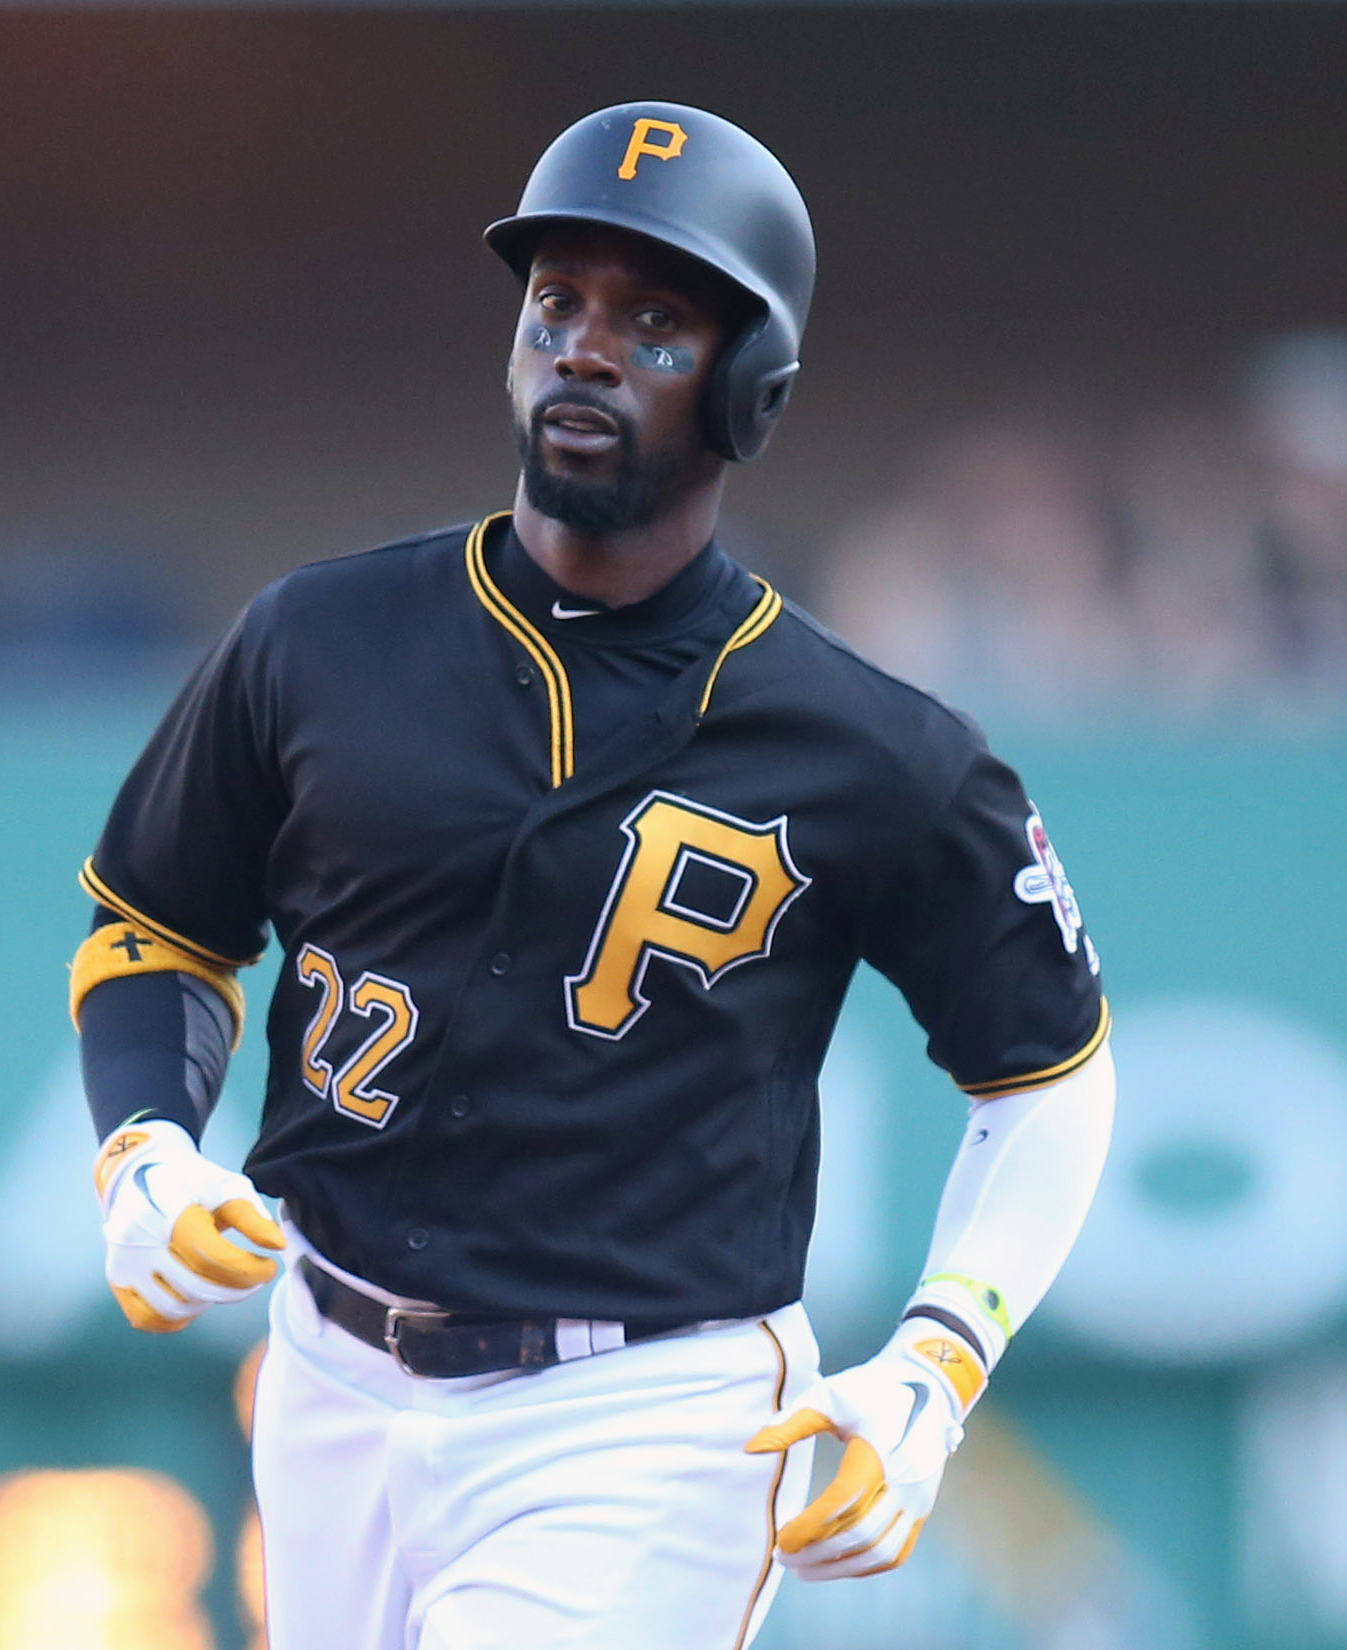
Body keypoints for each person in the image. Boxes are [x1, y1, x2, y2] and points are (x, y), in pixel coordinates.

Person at [63, 103, 1115, 1649]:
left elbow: (1051, 1078)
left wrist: (937, 1362)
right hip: (325, 1370)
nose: (585, 347)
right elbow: (154, 928)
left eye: (655, 320)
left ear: (752, 387)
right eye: (557, 303)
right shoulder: (316, 638)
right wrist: (143, 1146)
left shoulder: (874, 746)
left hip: (643, 1411)